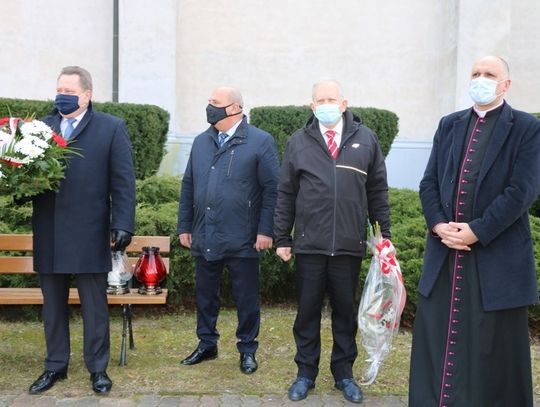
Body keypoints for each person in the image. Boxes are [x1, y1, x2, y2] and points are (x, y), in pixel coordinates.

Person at [409, 56, 540, 406]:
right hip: (445, 254)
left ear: (506, 84)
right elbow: (429, 183)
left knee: (490, 346)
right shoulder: (449, 124)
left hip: (496, 257)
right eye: (476, 74)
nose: (481, 79)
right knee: (439, 338)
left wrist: (477, 231)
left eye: (490, 74)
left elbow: (521, 191)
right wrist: (439, 225)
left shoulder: (526, 128)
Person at [274, 80, 391, 404]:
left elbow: (378, 192)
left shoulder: (365, 140)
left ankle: (344, 374)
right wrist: (283, 237)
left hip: (348, 247)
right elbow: (285, 193)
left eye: (331, 99)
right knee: (307, 313)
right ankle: (305, 374)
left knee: (345, 313)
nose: (326, 104)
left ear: (343, 103)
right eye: (319, 100)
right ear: (312, 106)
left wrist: (385, 239)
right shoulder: (298, 142)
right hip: (310, 245)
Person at [28, 66, 136, 395]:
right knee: (53, 305)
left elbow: (123, 182)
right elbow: (26, 179)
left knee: (94, 304)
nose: (62, 95)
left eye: (70, 91)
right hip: (50, 231)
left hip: (91, 230)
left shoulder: (110, 128)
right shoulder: (39, 129)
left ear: (87, 95)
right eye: (59, 89)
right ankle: (55, 365)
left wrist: (122, 223)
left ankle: (97, 368)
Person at [177, 86, 280, 374]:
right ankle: (206, 344)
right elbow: (188, 185)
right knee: (205, 295)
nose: (209, 107)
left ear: (234, 108)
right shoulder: (201, 142)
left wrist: (266, 230)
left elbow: (273, 189)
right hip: (205, 234)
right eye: (209, 101)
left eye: (215, 103)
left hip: (244, 237)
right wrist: (184, 225)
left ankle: (247, 348)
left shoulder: (260, 141)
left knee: (246, 297)